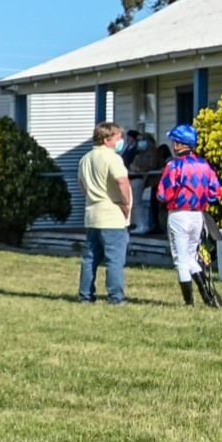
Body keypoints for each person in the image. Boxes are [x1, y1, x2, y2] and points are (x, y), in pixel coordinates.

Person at [155, 123, 222, 307]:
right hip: (198, 216)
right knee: (192, 257)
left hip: (178, 215)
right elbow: (215, 192)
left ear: (178, 144)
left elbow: (162, 194)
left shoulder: (174, 166)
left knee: (181, 260)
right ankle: (207, 298)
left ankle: (189, 302)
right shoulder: (205, 165)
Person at [77, 121, 131, 304]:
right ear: (107, 140)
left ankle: (85, 295)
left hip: (92, 214)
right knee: (114, 259)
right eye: (118, 138)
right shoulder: (113, 158)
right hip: (112, 215)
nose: (120, 141)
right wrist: (126, 202)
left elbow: (82, 185)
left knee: (90, 257)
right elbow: (122, 181)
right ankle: (116, 297)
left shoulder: (85, 158)